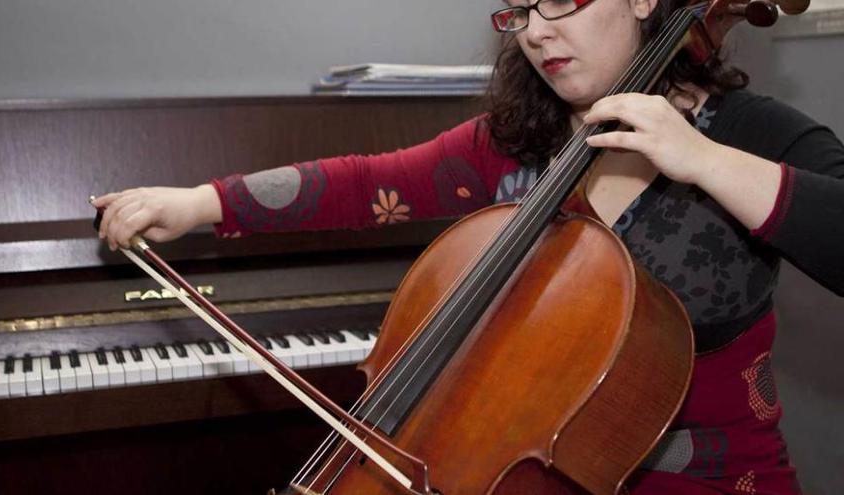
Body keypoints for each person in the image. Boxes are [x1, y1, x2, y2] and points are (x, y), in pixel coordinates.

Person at [93, 0, 844, 492]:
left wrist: (704, 160)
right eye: (519, 9)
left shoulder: (752, 134)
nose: (536, 29)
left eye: (559, 1)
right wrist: (198, 203)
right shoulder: (523, 137)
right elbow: (367, 185)